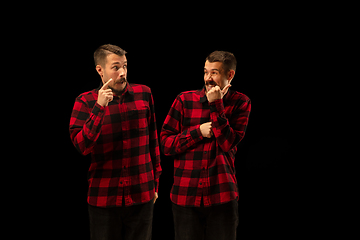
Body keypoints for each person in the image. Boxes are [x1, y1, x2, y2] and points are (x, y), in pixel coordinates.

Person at [69, 44, 161, 240]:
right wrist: (99, 108)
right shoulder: (85, 101)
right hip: (104, 197)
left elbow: (153, 141)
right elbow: (82, 146)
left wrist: (156, 184)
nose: (122, 73)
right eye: (116, 67)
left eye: (125, 66)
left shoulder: (144, 93)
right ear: (100, 70)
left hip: (142, 194)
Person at [160, 51, 251, 240]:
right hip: (185, 196)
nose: (208, 78)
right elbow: (166, 145)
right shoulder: (184, 100)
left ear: (230, 75)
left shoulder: (241, 102)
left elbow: (227, 143)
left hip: (222, 196)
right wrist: (197, 132)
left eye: (214, 73)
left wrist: (216, 104)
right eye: (205, 72)